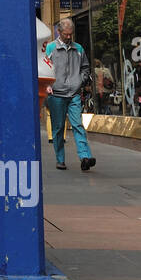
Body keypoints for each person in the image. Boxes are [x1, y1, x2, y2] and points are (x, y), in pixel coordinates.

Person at [45, 19, 96, 172]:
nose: (69, 37)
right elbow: (43, 69)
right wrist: (47, 85)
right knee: (59, 128)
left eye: (70, 34)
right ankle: (60, 159)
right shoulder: (50, 48)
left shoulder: (78, 49)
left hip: (73, 93)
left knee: (78, 125)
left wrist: (80, 81)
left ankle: (85, 157)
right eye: (66, 34)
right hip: (56, 95)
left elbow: (85, 68)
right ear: (59, 32)